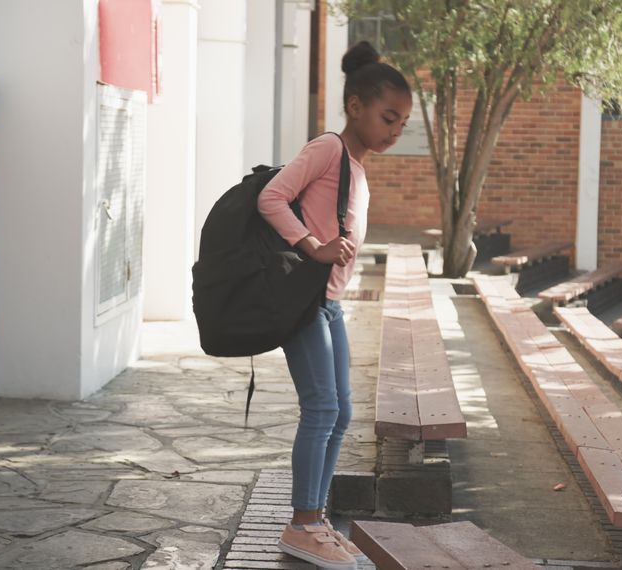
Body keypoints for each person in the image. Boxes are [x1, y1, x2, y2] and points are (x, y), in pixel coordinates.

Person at [257, 40, 413, 569]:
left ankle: (316, 519)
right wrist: (311, 246)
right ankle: (302, 524)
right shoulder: (327, 149)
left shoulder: (358, 166)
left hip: (328, 304)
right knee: (322, 408)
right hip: (304, 300)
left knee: (342, 411)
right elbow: (271, 197)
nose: (394, 131)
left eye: (402, 123)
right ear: (355, 106)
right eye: (388, 117)